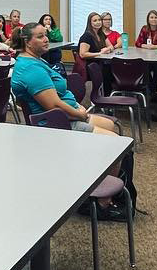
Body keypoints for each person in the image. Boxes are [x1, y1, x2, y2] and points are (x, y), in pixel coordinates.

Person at [9, 23, 130, 215]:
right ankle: (102, 203)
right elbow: (54, 105)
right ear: (27, 42)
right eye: (40, 37)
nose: (46, 39)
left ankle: (97, 181)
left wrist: (76, 107)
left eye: (45, 35)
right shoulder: (30, 69)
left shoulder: (36, 60)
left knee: (109, 125)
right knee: (116, 145)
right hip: (55, 123)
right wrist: (79, 113)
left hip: (66, 115)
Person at [77, 11, 116, 94]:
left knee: (114, 67)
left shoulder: (100, 34)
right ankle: (106, 96)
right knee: (108, 70)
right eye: (95, 21)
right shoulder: (86, 36)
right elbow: (83, 54)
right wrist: (100, 53)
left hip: (99, 62)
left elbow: (111, 46)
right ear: (90, 23)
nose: (98, 22)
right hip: (90, 65)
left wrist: (106, 49)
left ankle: (110, 93)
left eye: (99, 20)